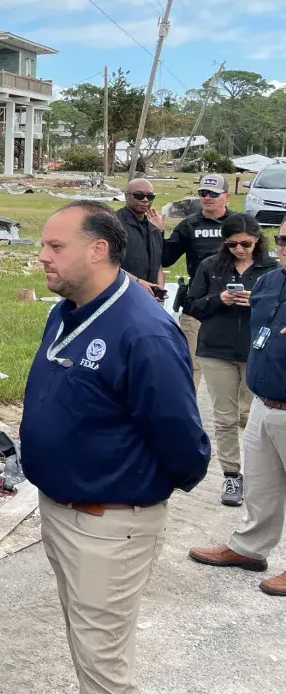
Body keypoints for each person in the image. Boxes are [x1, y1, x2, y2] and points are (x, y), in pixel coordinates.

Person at [23, 201, 210, 694]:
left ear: (98, 249)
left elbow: (181, 437)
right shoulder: (69, 311)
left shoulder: (142, 330)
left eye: (55, 246)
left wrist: (134, 492)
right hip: (62, 510)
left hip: (107, 522)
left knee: (104, 666)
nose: (42, 255)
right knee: (88, 648)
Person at [189, 228, 286, 596]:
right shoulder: (269, 282)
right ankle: (249, 548)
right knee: (261, 485)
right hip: (265, 401)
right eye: (281, 240)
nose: (284, 248)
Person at [183, 214, 275, 507]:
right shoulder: (211, 266)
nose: (239, 249)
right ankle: (232, 474)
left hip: (257, 351)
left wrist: (257, 303)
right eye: (232, 244)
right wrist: (219, 300)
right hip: (215, 350)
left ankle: (261, 472)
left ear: (258, 240)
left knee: (252, 416)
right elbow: (192, 306)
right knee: (225, 417)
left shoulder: (273, 269)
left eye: (246, 243)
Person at [163, 174, 239, 389]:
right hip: (198, 302)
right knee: (191, 364)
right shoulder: (189, 224)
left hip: (234, 303)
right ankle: (187, 415)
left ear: (226, 196)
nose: (207, 197)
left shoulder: (238, 223)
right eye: (203, 193)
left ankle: (237, 421)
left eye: (213, 193)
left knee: (236, 364)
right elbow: (166, 259)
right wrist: (157, 232)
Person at [115, 178, 165, 299]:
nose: (145, 200)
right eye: (139, 195)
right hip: (119, 296)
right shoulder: (113, 224)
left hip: (148, 300)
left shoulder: (154, 229)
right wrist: (138, 283)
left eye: (150, 196)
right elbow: (105, 266)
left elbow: (158, 266)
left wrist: (159, 288)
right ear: (127, 196)